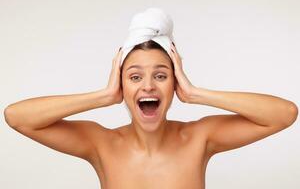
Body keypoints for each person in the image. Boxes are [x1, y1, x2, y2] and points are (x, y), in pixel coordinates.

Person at [4, 39, 298, 189]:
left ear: (175, 84)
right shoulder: (100, 143)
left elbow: (284, 114)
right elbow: (17, 116)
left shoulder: (199, 138)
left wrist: (196, 94)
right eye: (134, 77)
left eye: (161, 75)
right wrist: (103, 96)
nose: (148, 85)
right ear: (121, 86)